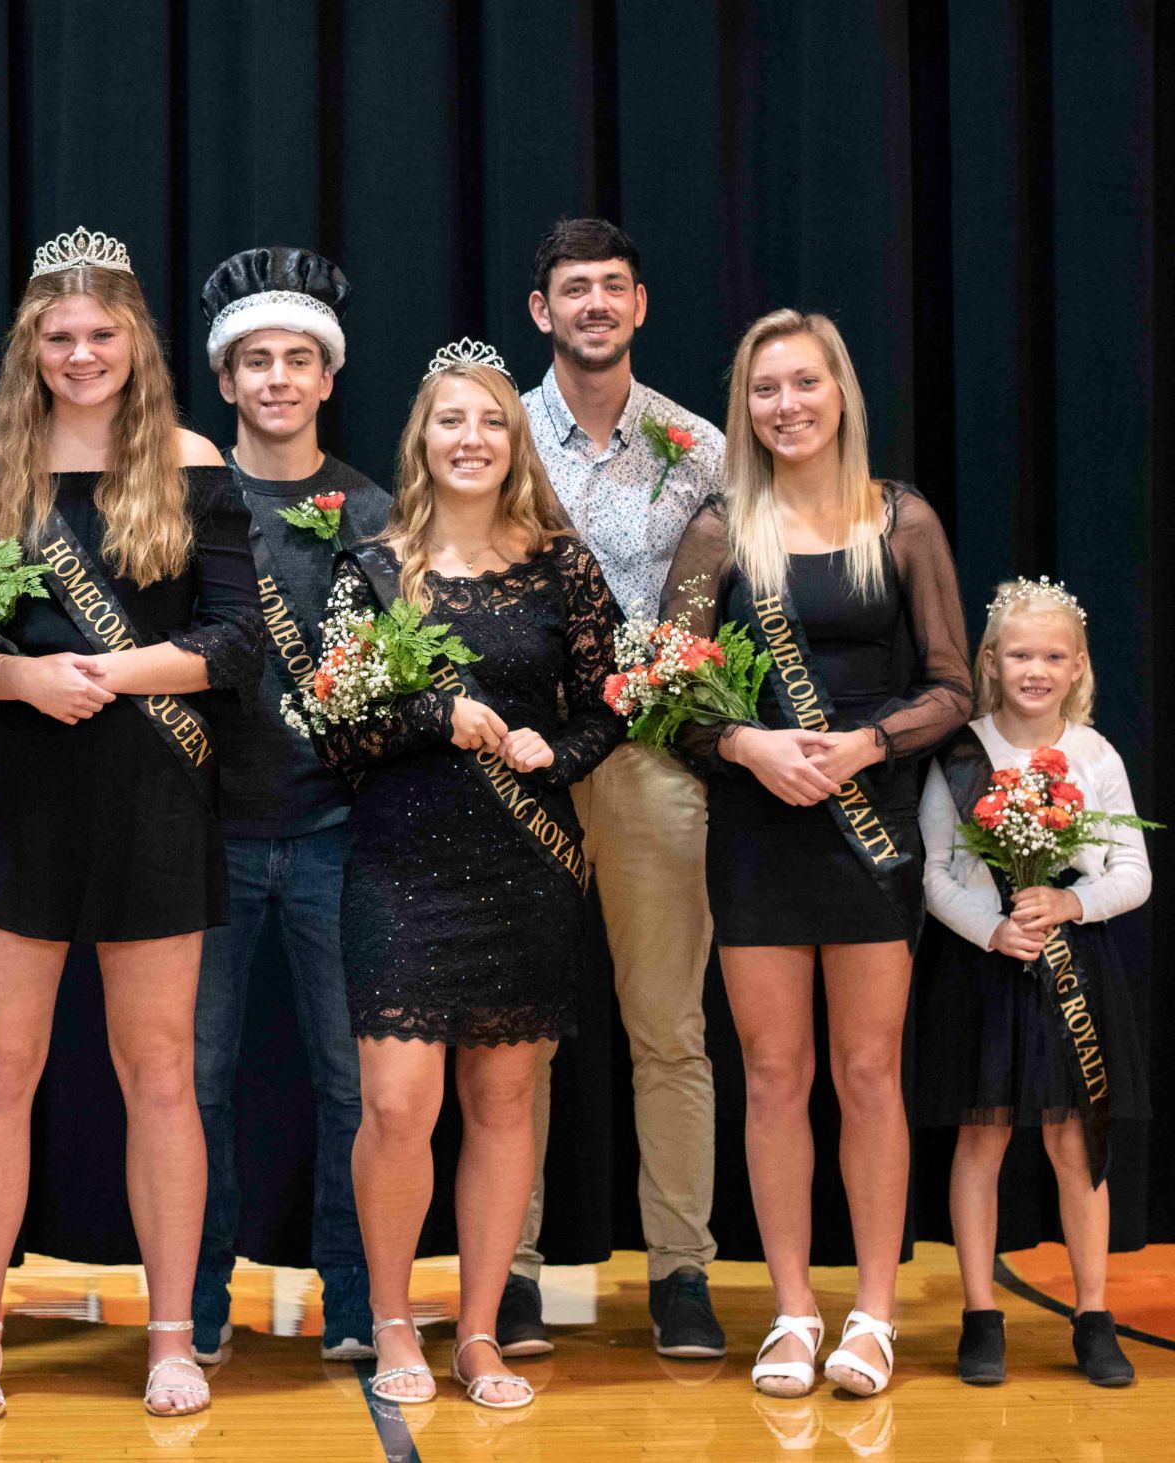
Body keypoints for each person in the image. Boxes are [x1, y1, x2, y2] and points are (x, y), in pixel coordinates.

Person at [0, 227, 263, 1421]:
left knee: (160, 1071)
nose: (80, 354)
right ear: (30, 346)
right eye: (58, 336)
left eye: (99, 334)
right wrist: (22, 678)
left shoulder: (189, 461)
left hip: (151, 791)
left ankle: (170, 1338)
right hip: (16, 791)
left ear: (135, 342)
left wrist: (110, 674)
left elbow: (237, 642)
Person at [661, 308, 971, 1398]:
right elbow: (668, 694)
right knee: (774, 1073)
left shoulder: (901, 519)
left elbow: (952, 686)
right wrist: (746, 744)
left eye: (804, 383)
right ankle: (792, 1309)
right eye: (764, 389)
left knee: (867, 1071)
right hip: (759, 828)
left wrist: (865, 744)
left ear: (840, 391)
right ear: (743, 407)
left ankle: (873, 1312)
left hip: (871, 826)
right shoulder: (717, 527)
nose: (785, 405)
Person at [310, 340, 622, 1412]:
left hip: (525, 864)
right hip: (400, 862)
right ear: (422, 440)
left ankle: (480, 1330)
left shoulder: (561, 566)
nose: (471, 438)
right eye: (451, 419)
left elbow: (610, 702)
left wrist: (558, 754)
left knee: (502, 1102)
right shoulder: (369, 566)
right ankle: (394, 1316)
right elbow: (335, 729)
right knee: (398, 1104)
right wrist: (433, 716)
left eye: (491, 420)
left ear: (515, 440)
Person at [511, 218, 726, 1359]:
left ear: (638, 304)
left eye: (611, 286)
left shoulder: (698, 445)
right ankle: (508, 1270)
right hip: (523, 760)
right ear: (540, 310)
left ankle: (681, 1272)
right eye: (572, 287)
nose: (592, 303)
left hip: (649, 756)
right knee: (515, 1033)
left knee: (668, 1029)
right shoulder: (495, 430)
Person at [185, 246, 383, 1366]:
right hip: (204, 832)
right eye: (255, 360)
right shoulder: (186, 498)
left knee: (351, 1083)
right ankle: (197, 1297)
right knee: (194, 1082)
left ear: (327, 376)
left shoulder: (373, 509)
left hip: (336, 833)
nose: (276, 378)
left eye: (296, 360)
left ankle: (351, 1295)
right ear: (224, 378)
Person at [914, 577, 1150, 1387]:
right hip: (986, 968)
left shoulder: (1096, 754)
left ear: (1078, 665)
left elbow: (1134, 871)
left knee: (1076, 1139)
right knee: (981, 1136)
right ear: (990, 660)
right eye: (1020, 655)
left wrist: (1072, 902)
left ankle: (1093, 1314)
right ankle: (981, 1315)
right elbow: (933, 872)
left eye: (1053, 656)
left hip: (1074, 970)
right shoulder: (960, 754)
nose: (1036, 670)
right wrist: (992, 928)